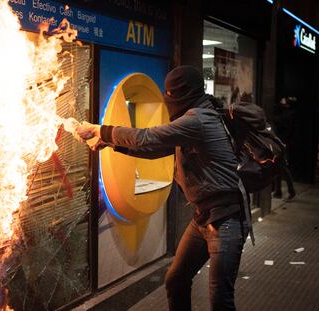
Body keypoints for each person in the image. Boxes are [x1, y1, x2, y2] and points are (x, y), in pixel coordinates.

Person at [74, 66, 250, 310]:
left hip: (227, 219)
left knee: (221, 299)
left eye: (171, 95)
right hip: (203, 218)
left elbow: (147, 137)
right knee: (176, 280)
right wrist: (111, 144)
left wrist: (100, 130)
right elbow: (156, 149)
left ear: (182, 95)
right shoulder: (194, 118)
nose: (168, 102)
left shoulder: (198, 120)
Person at [273, 97, 296, 202]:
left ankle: (291, 191)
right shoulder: (288, 113)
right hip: (281, 142)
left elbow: (279, 121)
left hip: (283, 142)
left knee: (282, 167)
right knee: (278, 166)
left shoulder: (288, 114)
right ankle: (278, 191)